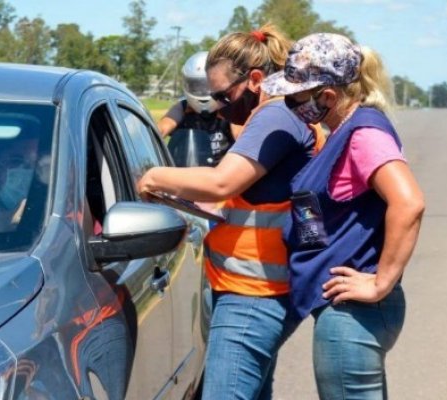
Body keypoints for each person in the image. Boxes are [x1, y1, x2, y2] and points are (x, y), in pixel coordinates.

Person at [138, 24, 324, 399]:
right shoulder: (285, 114)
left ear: (256, 79)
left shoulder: (274, 117)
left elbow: (223, 183)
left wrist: (152, 176)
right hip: (253, 288)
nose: (220, 108)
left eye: (224, 95)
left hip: (253, 294)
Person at [262, 32, 425, 399]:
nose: (290, 104)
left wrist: (380, 282)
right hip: (348, 311)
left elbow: (409, 202)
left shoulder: (363, 133)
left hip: (353, 313)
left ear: (328, 96)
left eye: (296, 97)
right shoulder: (344, 131)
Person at [157, 51, 235, 167]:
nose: (202, 91)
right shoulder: (182, 108)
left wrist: (229, 115)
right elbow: (162, 128)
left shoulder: (229, 108)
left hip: (222, 175)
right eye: (196, 86)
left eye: (207, 85)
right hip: (187, 173)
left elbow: (243, 138)